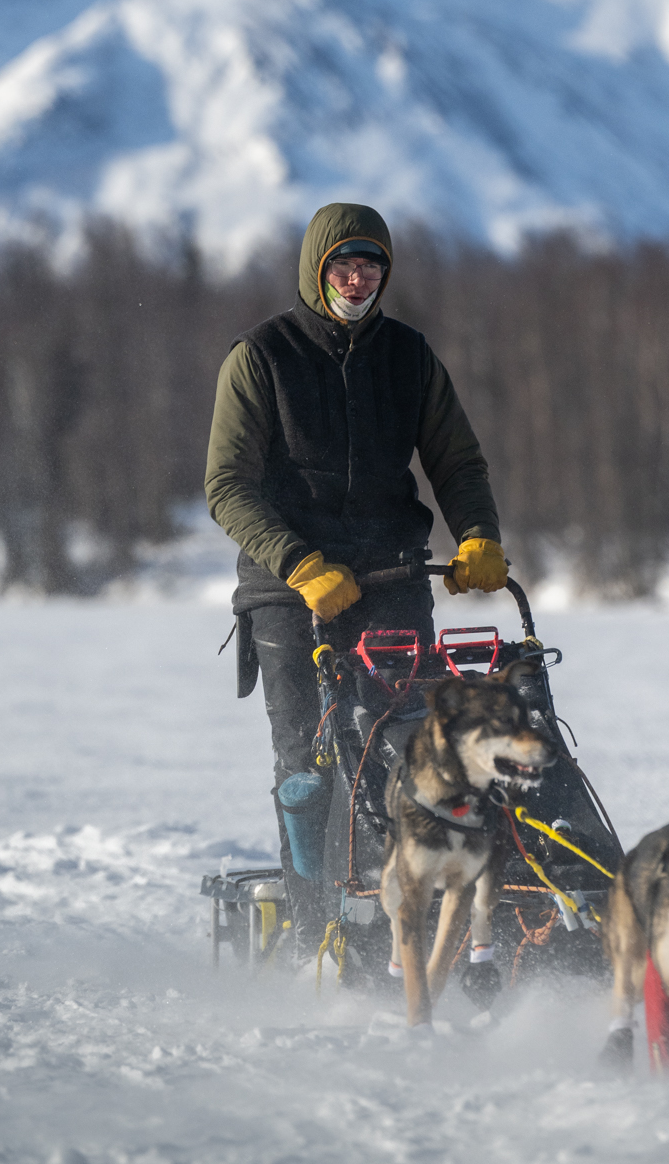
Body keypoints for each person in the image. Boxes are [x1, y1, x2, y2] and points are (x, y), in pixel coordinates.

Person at [203, 201, 506, 924]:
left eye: (371, 265)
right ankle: (315, 929)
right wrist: (299, 564)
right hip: (287, 592)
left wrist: (477, 536)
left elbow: (457, 461)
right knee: (307, 765)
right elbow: (227, 485)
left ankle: (407, 920)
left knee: (409, 750)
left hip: (391, 578)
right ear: (316, 269)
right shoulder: (261, 355)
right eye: (342, 264)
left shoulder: (408, 356)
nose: (357, 278)